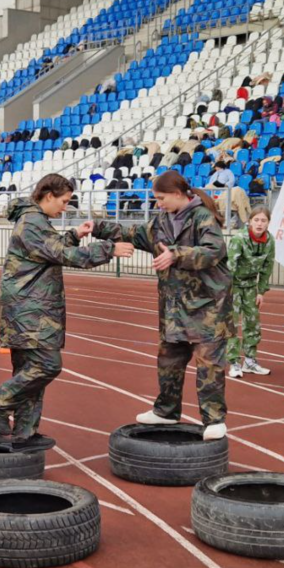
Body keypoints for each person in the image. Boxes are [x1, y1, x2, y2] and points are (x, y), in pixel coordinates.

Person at [0, 175, 132, 451]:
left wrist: (74, 235)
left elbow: (48, 251)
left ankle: (25, 433)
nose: (64, 207)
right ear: (48, 195)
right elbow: (64, 255)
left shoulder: (35, 221)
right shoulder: (33, 222)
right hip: (30, 309)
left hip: (29, 306)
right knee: (47, 366)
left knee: (28, 370)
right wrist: (110, 248)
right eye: (63, 201)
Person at [97, 171, 233, 439]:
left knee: (209, 364)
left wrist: (176, 255)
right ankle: (167, 411)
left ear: (178, 194)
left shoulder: (202, 217)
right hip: (175, 305)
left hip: (207, 306)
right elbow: (134, 233)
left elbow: (213, 251)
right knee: (169, 359)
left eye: (161, 198)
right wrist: (97, 227)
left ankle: (214, 419)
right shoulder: (161, 220)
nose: (158, 203)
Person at [226, 207, 275, 378]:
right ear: (250, 221)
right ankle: (233, 362)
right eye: (256, 220)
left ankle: (250, 361)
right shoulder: (239, 239)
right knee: (232, 324)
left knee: (253, 323)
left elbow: (267, 267)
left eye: (264, 220)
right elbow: (230, 266)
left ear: (268, 223)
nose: (260, 224)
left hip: (251, 287)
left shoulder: (269, 241)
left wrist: (261, 291)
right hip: (234, 285)